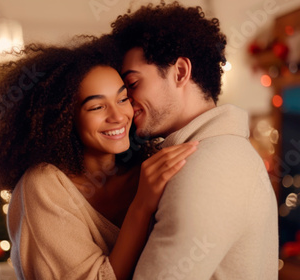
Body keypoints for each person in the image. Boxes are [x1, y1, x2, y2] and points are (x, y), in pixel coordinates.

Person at [0, 37, 198, 280]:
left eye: (122, 99)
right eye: (97, 107)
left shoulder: (148, 168)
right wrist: (141, 207)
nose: (118, 117)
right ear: (65, 119)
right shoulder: (44, 186)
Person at [110, 2, 279, 279]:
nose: (125, 101)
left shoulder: (206, 166)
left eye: (133, 83)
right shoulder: (217, 152)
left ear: (179, 72)